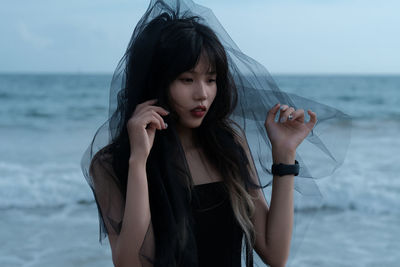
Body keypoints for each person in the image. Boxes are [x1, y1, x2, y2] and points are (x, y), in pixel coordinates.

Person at [81, 0, 351, 266]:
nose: (203, 94)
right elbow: (130, 263)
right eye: (187, 80)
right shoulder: (110, 164)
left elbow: (275, 253)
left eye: (211, 80)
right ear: (157, 82)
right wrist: (139, 162)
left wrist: (284, 154)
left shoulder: (227, 145)